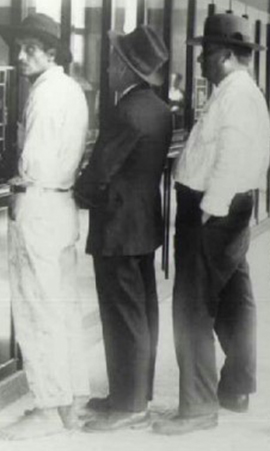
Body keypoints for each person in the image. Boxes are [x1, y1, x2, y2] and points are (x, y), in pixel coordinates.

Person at [152, 13, 270, 435]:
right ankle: (237, 386)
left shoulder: (235, 96)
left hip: (213, 209)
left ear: (222, 55)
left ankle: (198, 407)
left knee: (192, 307)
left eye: (205, 53)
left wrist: (211, 205)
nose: (199, 60)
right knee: (236, 298)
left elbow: (232, 153)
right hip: (228, 208)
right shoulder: (239, 91)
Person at [74, 25, 172, 432]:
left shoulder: (126, 112)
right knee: (142, 311)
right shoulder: (160, 110)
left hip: (117, 227)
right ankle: (132, 393)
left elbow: (99, 173)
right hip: (144, 223)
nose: (110, 68)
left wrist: (79, 192)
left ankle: (129, 406)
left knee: (122, 315)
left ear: (129, 70)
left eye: (115, 61)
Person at [0, 13, 90, 440]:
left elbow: (31, 163)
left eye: (28, 49)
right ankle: (69, 404)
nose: (19, 57)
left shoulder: (44, 94)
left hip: (37, 205)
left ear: (50, 52)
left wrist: (16, 177)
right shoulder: (70, 89)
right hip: (61, 206)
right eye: (19, 49)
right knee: (63, 308)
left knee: (38, 310)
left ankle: (48, 407)